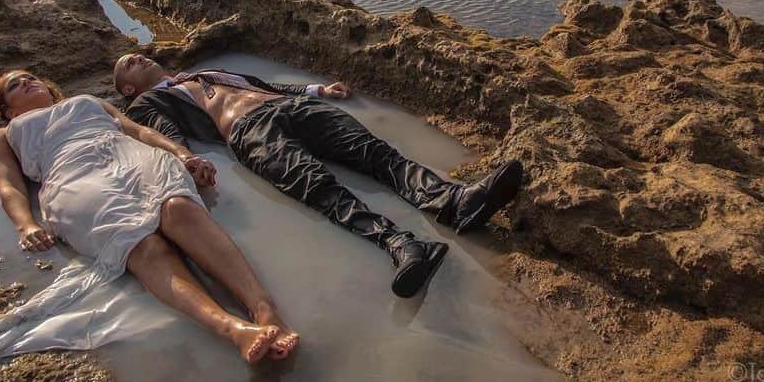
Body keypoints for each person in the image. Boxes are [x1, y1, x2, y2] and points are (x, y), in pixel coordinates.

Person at [0, 70, 299, 374]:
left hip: (126, 155)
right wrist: (26, 224)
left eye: (30, 78)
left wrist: (183, 154)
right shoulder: (4, 136)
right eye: (15, 85)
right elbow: (8, 185)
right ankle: (232, 329)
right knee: (144, 246)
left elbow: (139, 132)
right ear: (8, 111)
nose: (26, 81)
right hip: (72, 178)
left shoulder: (86, 101)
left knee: (179, 208)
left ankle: (264, 309)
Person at [113, 54, 523, 298]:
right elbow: (160, 136)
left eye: (138, 55)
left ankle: (454, 202)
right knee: (318, 188)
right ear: (128, 89)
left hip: (293, 108)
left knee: (374, 153)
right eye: (128, 65)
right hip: (249, 132)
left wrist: (316, 91)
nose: (138, 59)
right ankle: (401, 244)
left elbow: (262, 84)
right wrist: (186, 158)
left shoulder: (204, 72)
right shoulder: (147, 103)